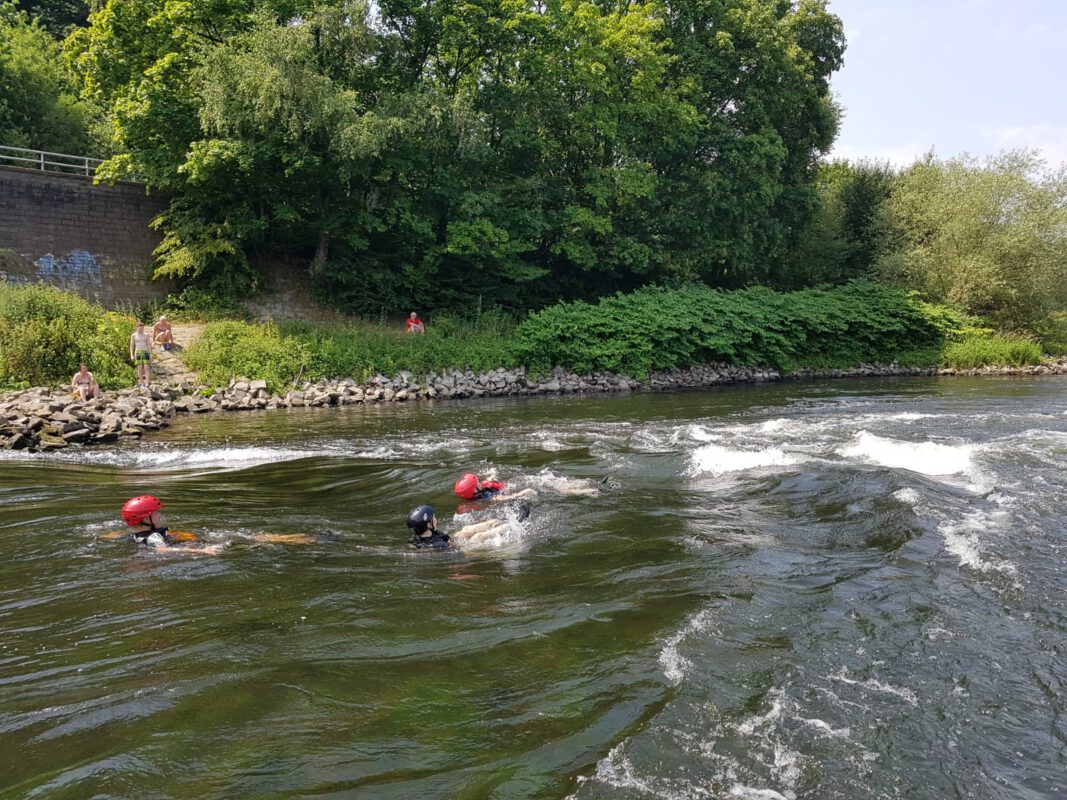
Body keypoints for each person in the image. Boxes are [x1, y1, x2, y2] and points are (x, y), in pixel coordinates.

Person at [406, 503, 531, 549]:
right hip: (460, 551)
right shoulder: (437, 545)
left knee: (465, 530)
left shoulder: (420, 536)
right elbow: (455, 549)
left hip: (448, 543)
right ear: (429, 524)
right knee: (478, 537)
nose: (436, 519)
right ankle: (514, 523)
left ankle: (499, 521)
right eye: (433, 518)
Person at [129, 322, 152, 387]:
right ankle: (142, 383)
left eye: (142, 328)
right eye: (139, 328)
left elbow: (148, 345)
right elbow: (132, 345)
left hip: (145, 351)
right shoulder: (133, 335)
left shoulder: (146, 335)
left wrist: (150, 354)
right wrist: (131, 354)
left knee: (146, 367)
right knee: (139, 368)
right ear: (137, 328)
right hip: (138, 352)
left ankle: (147, 382)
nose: (141, 330)